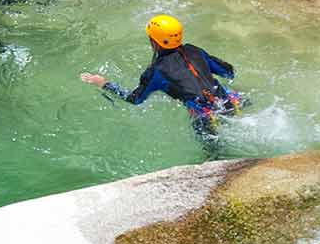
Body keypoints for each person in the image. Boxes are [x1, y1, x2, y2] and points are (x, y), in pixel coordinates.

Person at [80, 14, 242, 151]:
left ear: (154, 41)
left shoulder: (156, 71)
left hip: (204, 116)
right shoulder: (194, 50)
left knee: (214, 154)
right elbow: (228, 72)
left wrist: (104, 83)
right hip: (230, 101)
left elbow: (134, 99)